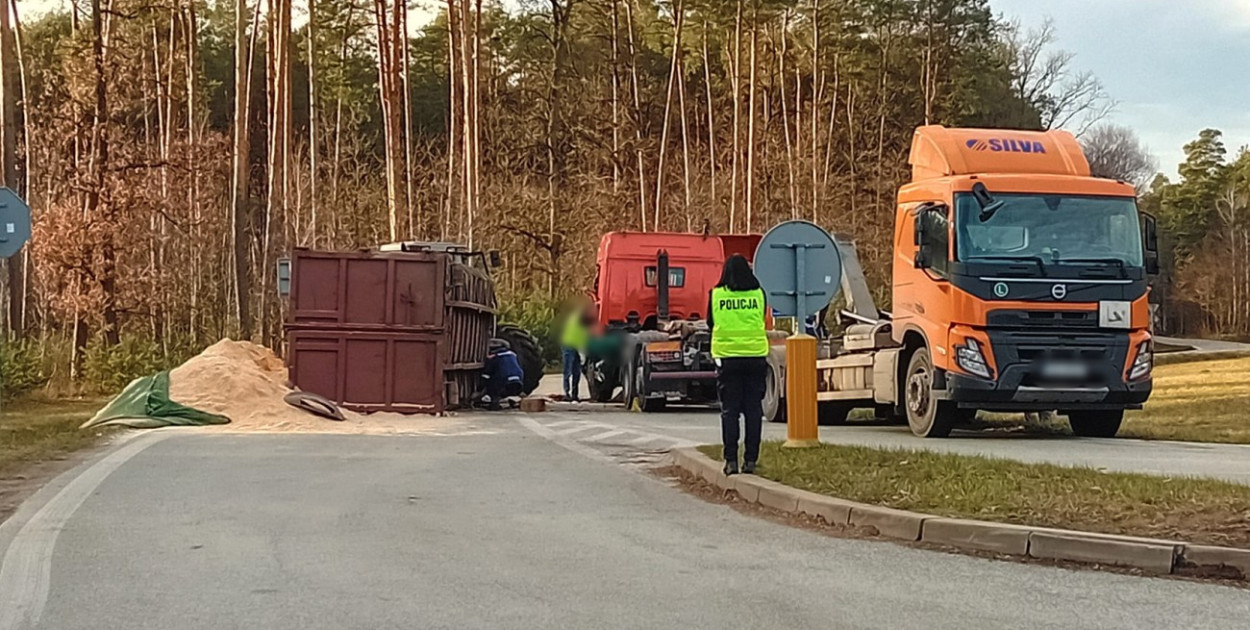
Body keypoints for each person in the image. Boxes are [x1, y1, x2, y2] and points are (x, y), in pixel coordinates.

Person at [707, 254, 770, 475]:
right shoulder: (759, 294)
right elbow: (761, 318)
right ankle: (751, 460)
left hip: (728, 360)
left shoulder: (716, 295)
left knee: (730, 411)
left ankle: (731, 460)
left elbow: (710, 323)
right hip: (755, 358)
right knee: (754, 411)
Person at [482, 339, 524, 411]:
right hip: (519, 377)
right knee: (511, 388)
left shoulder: (494, 357)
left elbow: (487, 373)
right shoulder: (513, 354)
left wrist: (481, 387)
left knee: (493, 385)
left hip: (504, 378)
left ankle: (494, 404)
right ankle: (513, 400)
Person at [560, 304, 591, 401]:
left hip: (575, 346)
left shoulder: (578, 318)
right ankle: (567, 393)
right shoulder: (579, 320)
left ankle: (574, 395)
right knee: (568, 371)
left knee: (576, 372)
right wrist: (582, 353)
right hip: (569, 345)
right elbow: (579, 338)